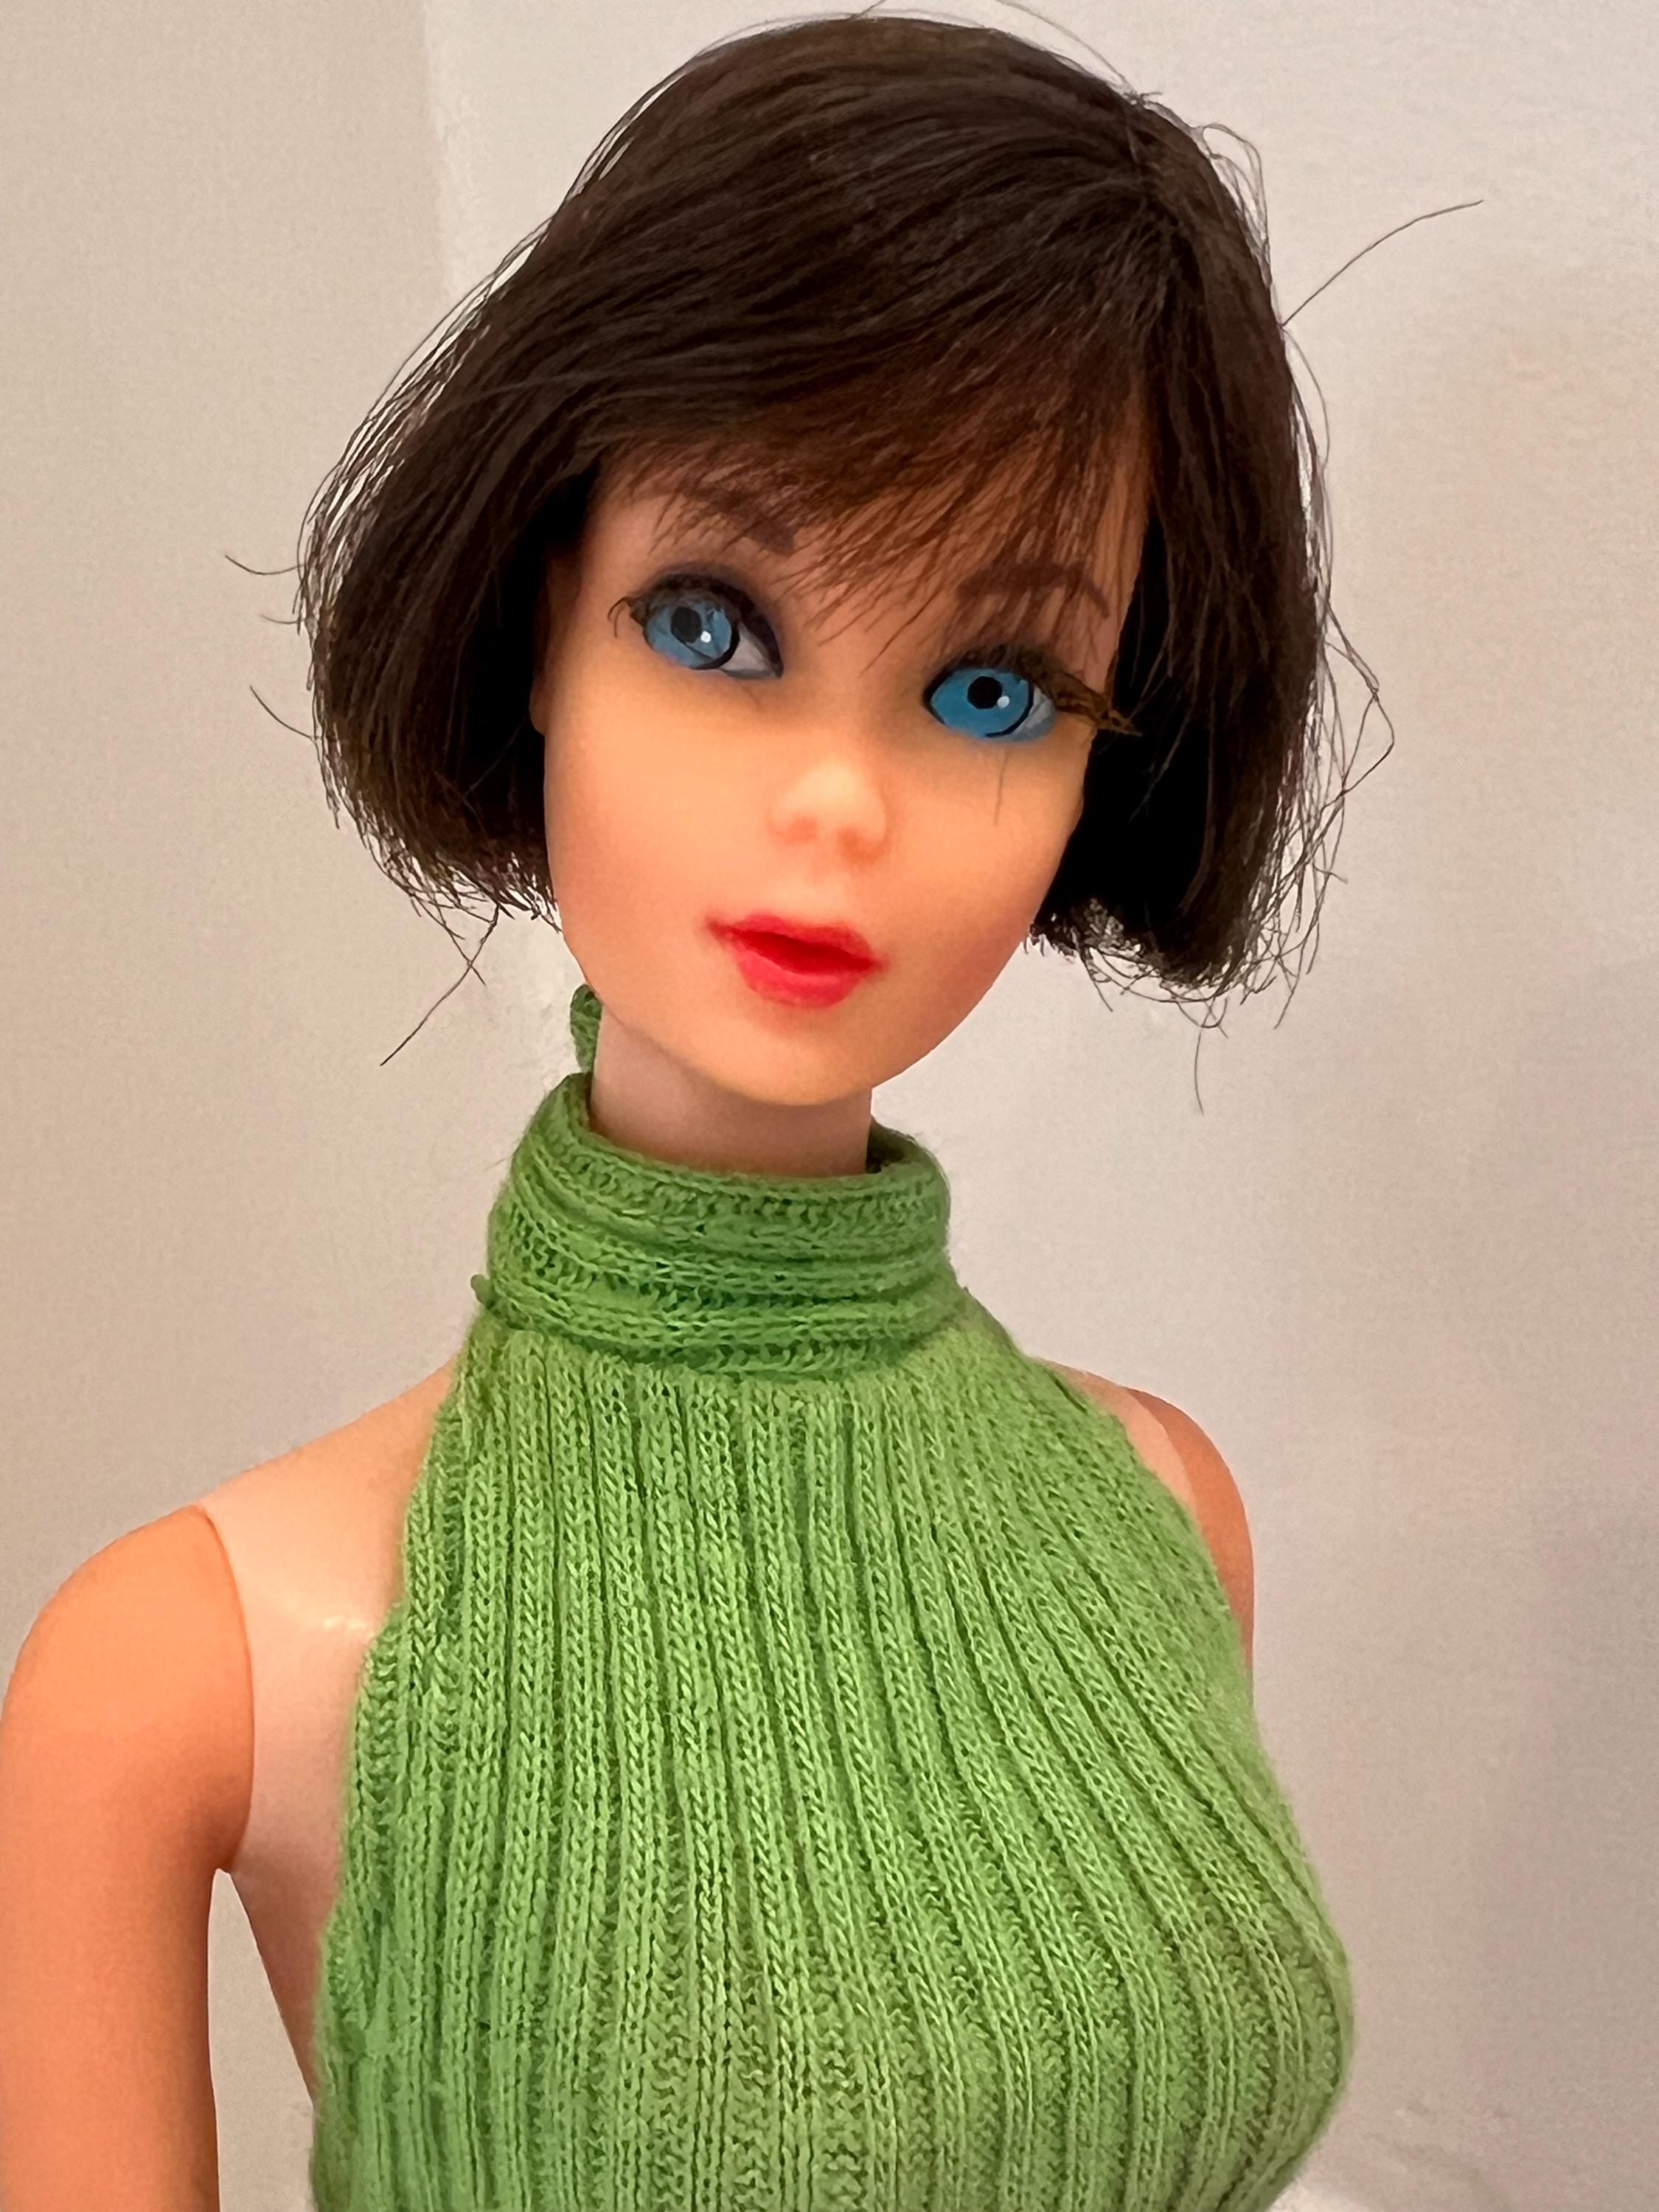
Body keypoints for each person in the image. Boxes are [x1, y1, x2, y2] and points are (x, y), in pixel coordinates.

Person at [0, 14, 1356, 2206]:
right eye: (714, 624)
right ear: (542, 618)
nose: (839, 801)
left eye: (990, 686)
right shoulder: (185, 1665)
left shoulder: (1160, 1510)